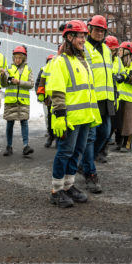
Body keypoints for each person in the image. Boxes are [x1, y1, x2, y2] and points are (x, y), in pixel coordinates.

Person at [45, 20, 98, 208]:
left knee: (77, 153)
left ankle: (68, 186)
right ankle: (56, 190)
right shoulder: (61, 62)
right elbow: (57, 91)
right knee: (65, 152)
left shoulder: (82, 61)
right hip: (69, 118)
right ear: (69, 37)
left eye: (84, 36)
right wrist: (59, 117)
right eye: (81, 36)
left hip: (84, 117)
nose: (84, 39)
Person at [79, 14, 115, 194]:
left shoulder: (107, 50)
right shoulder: (83, 47)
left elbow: (109, 74)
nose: (99, 33)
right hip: (91, 99)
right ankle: (90, 174)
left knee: (105, 133)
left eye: (102, 30)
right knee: (91, 137)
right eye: (97, 29)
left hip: (106, 99)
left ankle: (82, 163)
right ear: (90, 30)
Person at [1, 45, 35, 157]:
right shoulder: (8, 69)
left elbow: (31, 84)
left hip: (23, 101)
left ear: (24, 58)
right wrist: (2, 76)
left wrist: (19, 82)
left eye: (20, 57)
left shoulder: (28, 69)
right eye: (15, 57)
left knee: (24, 122)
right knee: (9, 124)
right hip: (11, 101)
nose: (17, 60)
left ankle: (26, 146)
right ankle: (9, 146)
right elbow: (3, 84)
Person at [112, 41, 132, 151]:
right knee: (119, 122)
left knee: (128, 123)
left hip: (130, 98)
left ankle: (126, 144)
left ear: (128, 52)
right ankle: (118, 142)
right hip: (118, 97)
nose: (119, 52)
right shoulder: (117, 63)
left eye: (122, 50)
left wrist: (127, 78)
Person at [36, 54, 55, 148]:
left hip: (58, 98)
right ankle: (51, 137)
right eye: (49, 61)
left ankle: (58, 139)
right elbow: (39, 82)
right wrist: (40, 94)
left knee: (59, 118)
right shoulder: (43, 69)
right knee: (50, 118)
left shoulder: (58, 69)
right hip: (48, 99)